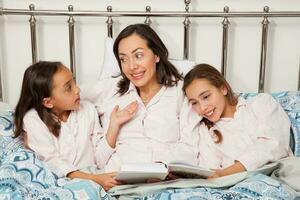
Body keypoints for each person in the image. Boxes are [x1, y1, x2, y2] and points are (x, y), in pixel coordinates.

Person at [81, 23, 196, 172]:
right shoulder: (111, 89)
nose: (131, 66)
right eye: (123, 59)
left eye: (139, 55)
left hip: (166, 180)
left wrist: (162, 166)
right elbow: (64, 96)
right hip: (116, 180)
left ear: (156, 55)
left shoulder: (182, 93)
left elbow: (192, 149)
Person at [13, 61, 137, 191]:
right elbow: (52, 162)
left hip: (93, 175)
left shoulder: (87, 109)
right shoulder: (33, 119)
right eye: (68, 88)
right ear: (48, 102)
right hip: (60, 181)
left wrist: (114, 126)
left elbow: (99, 160)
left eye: (74, 82)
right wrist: (95, 180)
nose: (77, 90)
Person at [182, 63, 293, 178]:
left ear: (223, 88)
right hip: (236, 185)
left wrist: (227, 172)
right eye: (194, 103)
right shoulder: (206, 131)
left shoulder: (262, 104)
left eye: (206, 97)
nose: (202, 107)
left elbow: (274, 145)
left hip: (280, 176)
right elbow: (211, 171)